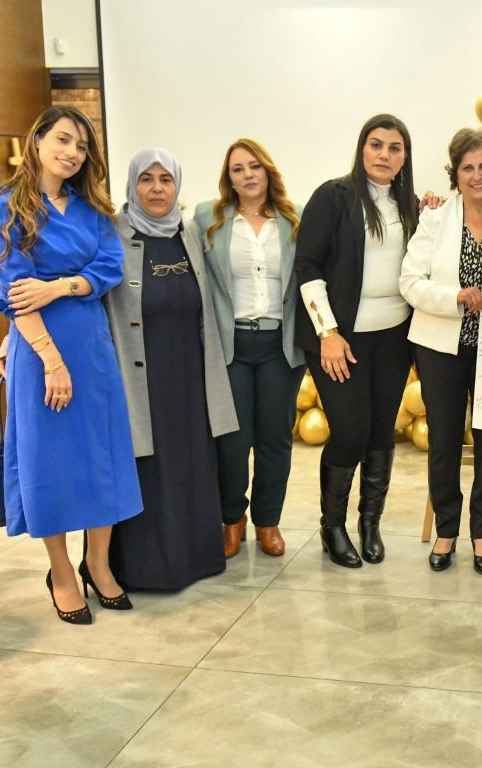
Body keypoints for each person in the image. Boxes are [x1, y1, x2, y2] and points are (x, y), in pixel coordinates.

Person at [0, 105, 141, 624]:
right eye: (64, 140)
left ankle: (99, 563)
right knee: (51, 463)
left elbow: (109, 267)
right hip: (41, 351)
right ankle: (62, 573)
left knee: (101, 456)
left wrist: (59, 286)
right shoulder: (6, 207)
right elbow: (15, 293)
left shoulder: (92, 209)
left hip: (92, 347)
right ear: (38, 140)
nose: (73, 153)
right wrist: (51, 362)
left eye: (82, 146)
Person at [105, 149, 239, 590]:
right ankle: (147, 568)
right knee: (151, 466)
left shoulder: (189, 231)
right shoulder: (113, 235)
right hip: (141, 374)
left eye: (166, 179)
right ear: (132, 185)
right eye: (146, 179)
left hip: (191, 371)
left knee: (193, 462)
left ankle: (197, 558)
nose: (157, 188)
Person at [400, 127, 482, 574]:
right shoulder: (436, 219)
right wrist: (455, 297)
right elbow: (410, 282)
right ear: (455, 174)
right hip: (441, 346)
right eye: (468, 167)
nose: (478, 175)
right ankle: (446, 530)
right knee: (444, 441)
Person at [296, 114, 419, 569]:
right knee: (350, 432)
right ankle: (332, 526)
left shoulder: (411, 206)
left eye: (395, 148)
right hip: (339, 338)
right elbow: (307, 265)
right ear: (362, 149)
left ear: (404, 157)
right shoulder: (333, 196)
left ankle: (371, 523)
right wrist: (327, 332)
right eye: (376, 144)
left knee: (381, 431)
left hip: (394, 338)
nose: (385, 154)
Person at [193, 139, 305, 558]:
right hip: (231, 345)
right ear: (229, 178)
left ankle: (268, 521)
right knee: (233, 442)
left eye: (254, 166)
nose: (247, 175)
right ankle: (232, 520)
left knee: (275, 439)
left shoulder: (294, 219)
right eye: (238, 169)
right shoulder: (208, 217)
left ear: (268, 170)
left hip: (280, 344)